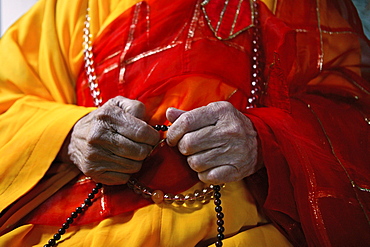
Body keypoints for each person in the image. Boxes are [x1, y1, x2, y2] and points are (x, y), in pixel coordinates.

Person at [0, 0, 369, 246]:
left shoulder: (302, 7)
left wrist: (264, 139)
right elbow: (7, 106)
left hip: (243, 231)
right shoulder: (69, 9)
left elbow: (354, 111)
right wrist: (70, 135)